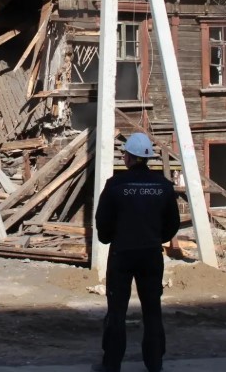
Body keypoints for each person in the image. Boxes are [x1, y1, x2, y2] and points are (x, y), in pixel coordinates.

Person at [93, 132, 180, 372]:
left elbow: (103, 221)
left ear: (128, 157)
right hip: (151, 254)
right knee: (152, 310)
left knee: (117, 311)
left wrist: (109, 238)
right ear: (148, 157)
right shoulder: (163, 186)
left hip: (122, 255)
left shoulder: (115, 185)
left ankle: (111, 365)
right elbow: (173, 223)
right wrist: (156, 239)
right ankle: (154, 364)